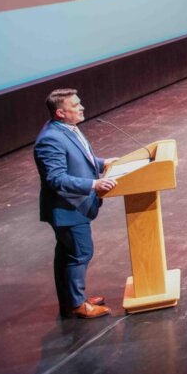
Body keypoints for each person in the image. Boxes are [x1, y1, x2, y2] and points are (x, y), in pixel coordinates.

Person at [34, 89, 118, 319]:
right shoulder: (51, 139)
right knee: (80, 253)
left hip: (73, 207)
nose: (81, 107)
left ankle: (72, 299)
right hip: (67, 209)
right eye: (75, 105)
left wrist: (103, 163)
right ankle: (76, 305)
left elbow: (79, 159)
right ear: (60, 112)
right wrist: (93, 184)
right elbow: (56, 179)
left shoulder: (66, 129)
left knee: (67, 255)